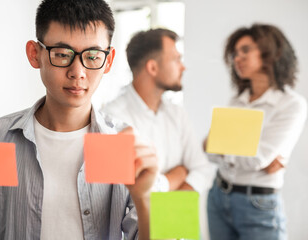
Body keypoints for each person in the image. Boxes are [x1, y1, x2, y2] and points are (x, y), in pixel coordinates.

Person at [0, 0, 158, 239]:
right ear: (35, 54)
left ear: (108, 60)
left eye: (93, 56)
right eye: (63, 54)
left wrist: (144, 199)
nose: (78, 72)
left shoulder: (123, 143)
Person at [205, 23, 307, 240]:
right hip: (218, 195)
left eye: (245, 50)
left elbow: (258, 158)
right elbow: (209, 151)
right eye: (234, 53)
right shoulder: (237, 101)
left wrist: (222, 144)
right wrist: (235, 148)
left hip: (257, 205)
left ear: (271, 52)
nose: (237, 58)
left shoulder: (292, 105)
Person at [101, 28, 213, 194]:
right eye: (176, 60)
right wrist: (179, 174)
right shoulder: (111, 117)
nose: (183, 67)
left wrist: (168, 206)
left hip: (177, 218)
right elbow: (123, 192)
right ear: (152, 68)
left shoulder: (177, 113)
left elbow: (203, 170)